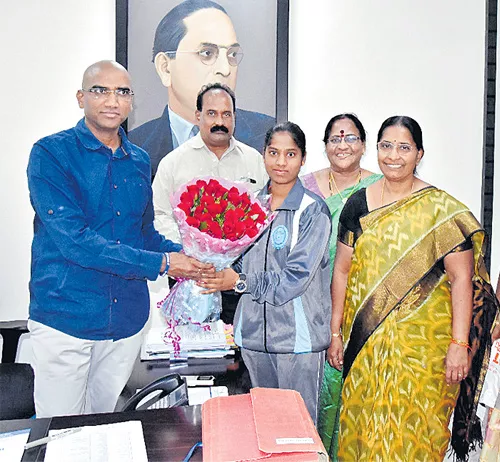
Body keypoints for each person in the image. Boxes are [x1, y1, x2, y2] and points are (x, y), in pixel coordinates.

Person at [26, 60, 213, 418]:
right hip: (67, 319)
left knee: (105, 425)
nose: (112, 100)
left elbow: (143, 234)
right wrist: (162, 263)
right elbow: (75, 241)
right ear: (81, 98)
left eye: (122, 92)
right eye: (101, 90)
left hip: (125, 323)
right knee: (62, 433)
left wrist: (191, 258)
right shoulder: (50, 154)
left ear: (131, 102)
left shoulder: (139, 160)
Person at [329, 115, 498, 461]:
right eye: (386, 146)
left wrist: (459, 344)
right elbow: (342, 272)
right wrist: (335, 333)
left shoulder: (441, 212)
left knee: (418, 435)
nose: (394, 155)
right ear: (375, 149)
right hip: (366, 346)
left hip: (424, 356)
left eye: (404, 147)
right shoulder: (357, 205)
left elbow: (462, 279)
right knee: (362, 430)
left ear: (419, 154)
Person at [198, 122, 332, 423]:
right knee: (264, 426)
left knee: (298, 429)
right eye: (274, 153)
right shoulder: (250, 206)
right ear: (264, 155)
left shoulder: (313, 211)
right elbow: (238, 261)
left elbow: (294, 279)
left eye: (290, 154)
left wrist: (239, 281)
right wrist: (213, 269)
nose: (281, 162)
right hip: (254, 339)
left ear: (303, 158)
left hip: (297, 341)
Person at [152, 82, 268, 323]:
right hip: (189, 276)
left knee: (237, 352)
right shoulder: (173, 163)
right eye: (212, 113)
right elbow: (159, 213)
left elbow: (264, 214)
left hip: (238, 278)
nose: (220, 121)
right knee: (192, 350)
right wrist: (189, 252)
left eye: (226, 114)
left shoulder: (254, 160)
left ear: (235, 117)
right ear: (197, 116)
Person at [301, 113, 381, 459]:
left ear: (363, 145)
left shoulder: (382, 188)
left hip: (366, 302)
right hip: (313, 302)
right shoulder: (304, 185)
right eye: (336, 138)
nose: (343, 145)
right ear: (325, 147)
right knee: (318, 387)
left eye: (351, 138)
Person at [128, 0, 275, 177]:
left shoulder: (267, 133)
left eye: (232, 54)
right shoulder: (133, 146)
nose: (225, 68)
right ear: (165, 67)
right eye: (207, 53)